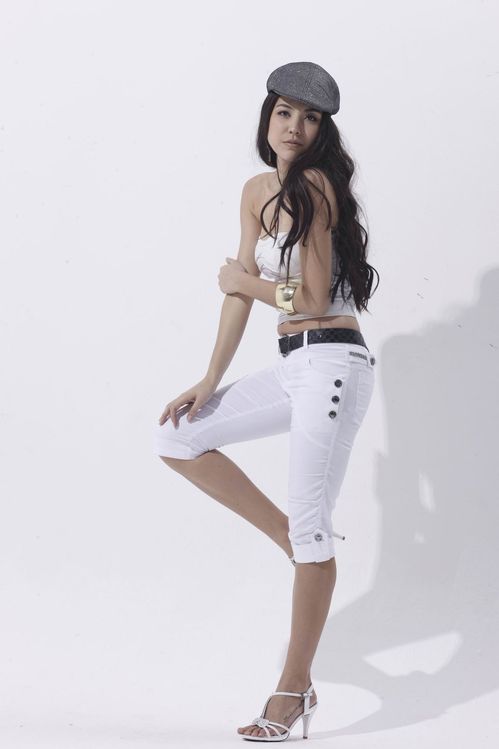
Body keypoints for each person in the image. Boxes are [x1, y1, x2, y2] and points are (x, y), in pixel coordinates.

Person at [153, 61, 380, 742]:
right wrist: (209, 377)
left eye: (309, 118)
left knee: (315, 532)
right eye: (284, 113)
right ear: (267, 118)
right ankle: (294, 541)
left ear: (321, 132)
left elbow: (307, 297)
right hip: (291, 365)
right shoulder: (256, 191)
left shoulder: (316, 187)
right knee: (177, 437)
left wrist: (241, 281)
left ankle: (291, 690)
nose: (294, 127)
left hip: (333, 364)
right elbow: (240, 295)